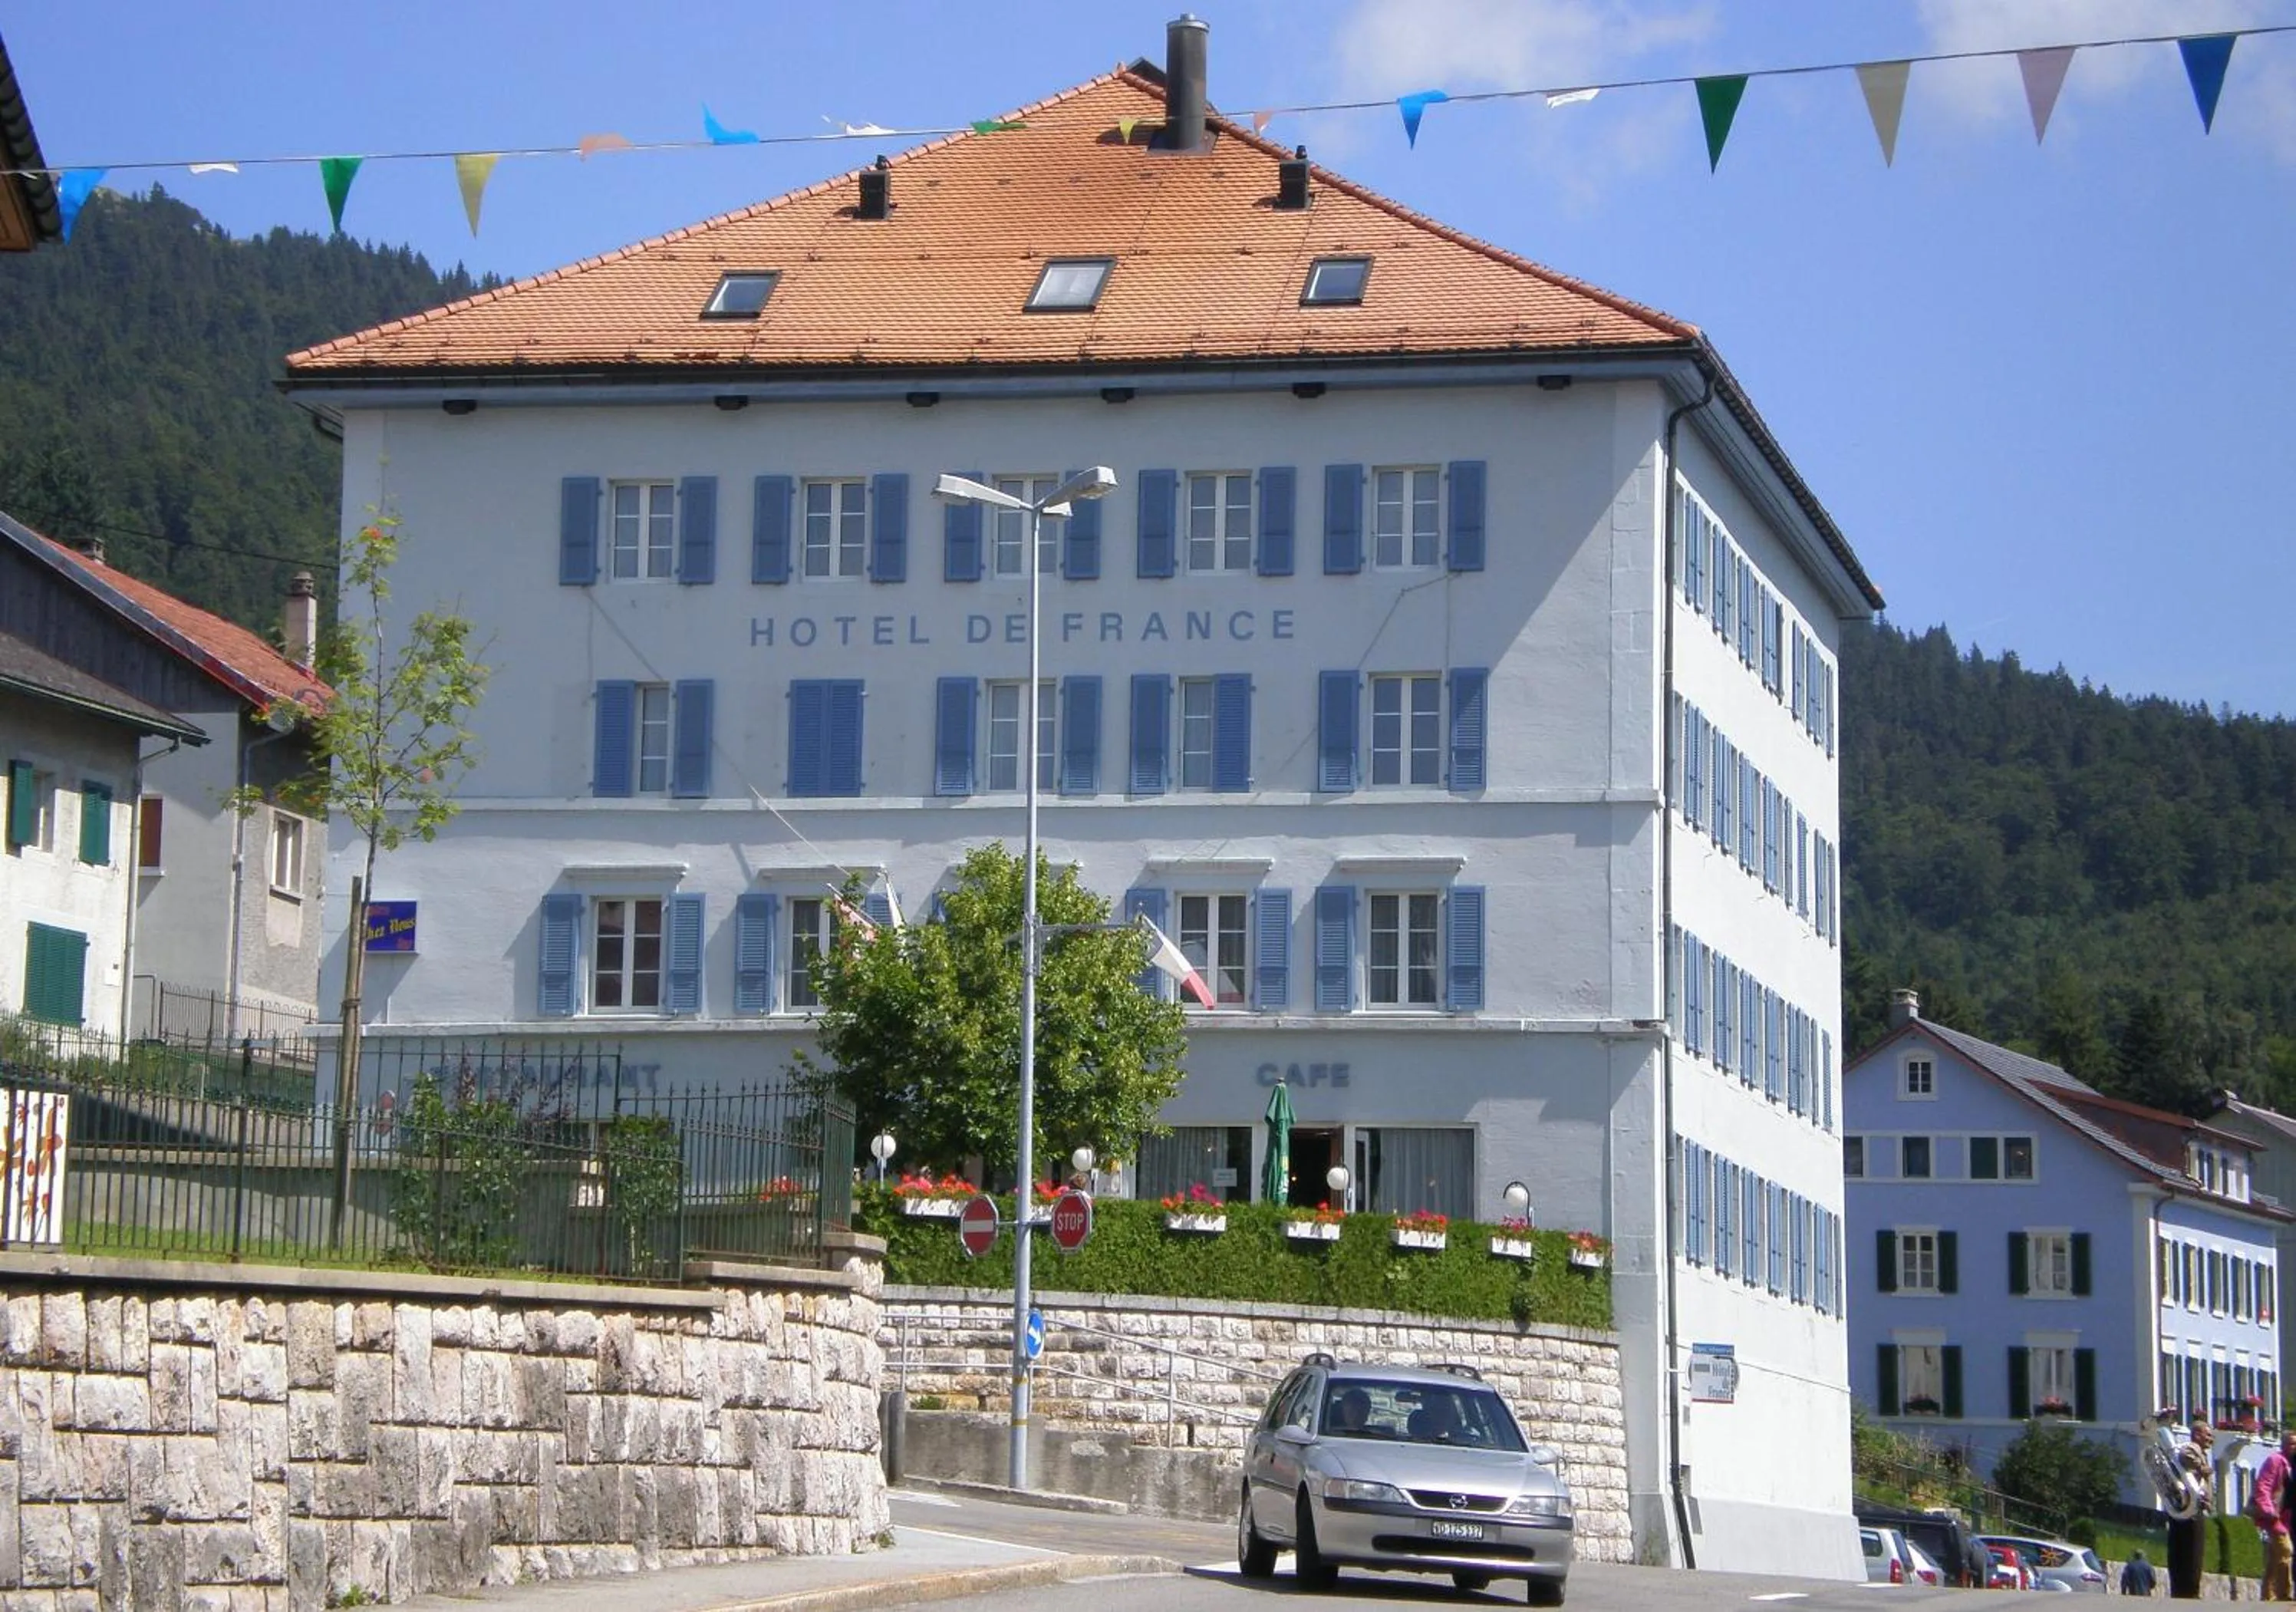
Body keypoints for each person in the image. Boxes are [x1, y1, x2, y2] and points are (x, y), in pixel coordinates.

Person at [2167, 1419, 2215, 1600]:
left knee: (2184, 1552)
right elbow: (2185, 1456)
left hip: (2188, 1507)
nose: (2211, 1439)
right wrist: (2201, 1467)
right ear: (2197, 1435)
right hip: (2192, 1508)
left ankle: (2183, 1589)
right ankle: (2189, 1590)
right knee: (2193, 1553)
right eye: (2207, 1435)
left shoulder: (2200, 1451)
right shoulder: (2192, 1447)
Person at [2258, 1429, 2296, 1600]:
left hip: (2284, 1517)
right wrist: (2268, 1509)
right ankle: (2284, 1594)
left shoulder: (2289, 1463)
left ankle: (2267, 1594)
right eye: (2292, 1443)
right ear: (2284, 1445)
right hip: (2273, 1516)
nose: (2294, 1447)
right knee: (2286, 1550)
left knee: (2275, 1556)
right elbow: (2263, 1485)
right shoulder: (2275, 1460)